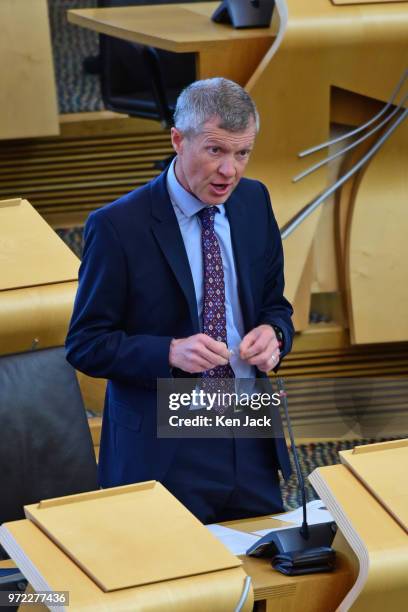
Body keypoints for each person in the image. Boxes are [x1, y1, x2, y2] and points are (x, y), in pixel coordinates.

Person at [66, 78, 294, 524]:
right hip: (166, 442)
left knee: (266, 579)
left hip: (247, 426)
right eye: (215, 151)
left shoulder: (253, 201)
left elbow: (274, 305)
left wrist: (275, 335)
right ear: (177, 139)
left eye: (242, 153)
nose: (230, 171)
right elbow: (86, 343)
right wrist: (169, 351)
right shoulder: (117, 227)